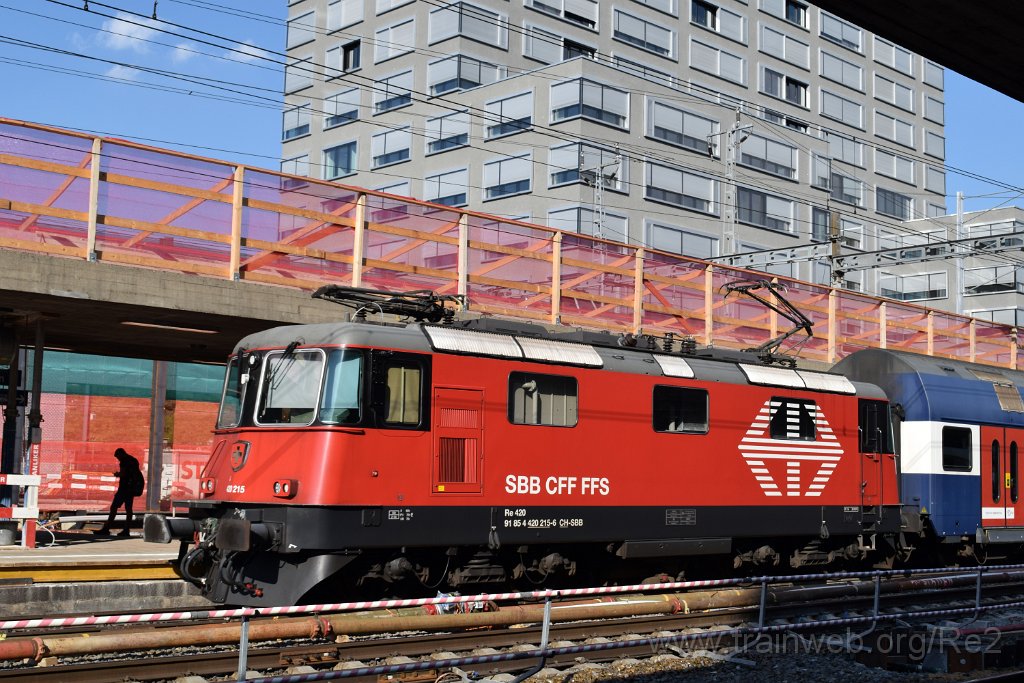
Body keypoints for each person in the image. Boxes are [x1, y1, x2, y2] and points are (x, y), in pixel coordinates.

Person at [96, 448, 143, 537]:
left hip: (124, 488)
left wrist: (117, 474)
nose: (118, 459)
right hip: (132, 488)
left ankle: (106, 529)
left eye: (118, 457)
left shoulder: (124, 461)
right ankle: (126, 530)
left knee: (114, 507)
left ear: (121, 454)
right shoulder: (133, 460)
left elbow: (123, 474)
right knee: (128, 509)